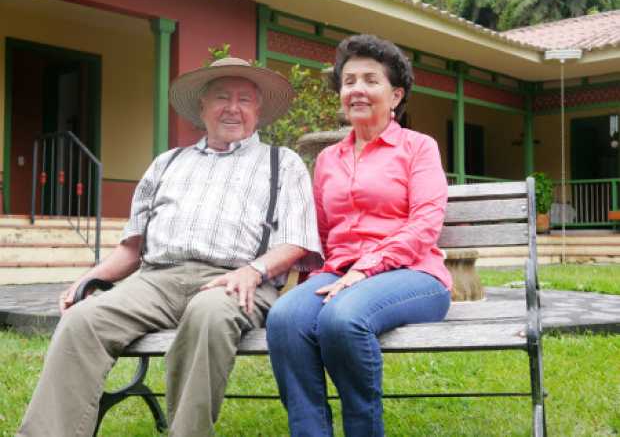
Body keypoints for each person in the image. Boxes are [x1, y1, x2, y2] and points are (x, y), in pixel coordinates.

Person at [18, 57, 322, 437]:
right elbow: (132, 247)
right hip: (156, 280)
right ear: (202, 107)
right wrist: (90, 278)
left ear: (258, 111)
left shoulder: (283, 163)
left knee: (208, 314)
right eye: (221, 97)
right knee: (83, 321)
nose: (233, 107)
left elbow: (296, 240)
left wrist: (252, 270)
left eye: (245, 99)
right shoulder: (167, 163)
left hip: (235, 280)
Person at [266, 34, 453, 437]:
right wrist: (304, 282)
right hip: (339, 273)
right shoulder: (328, 159)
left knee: (342, 319)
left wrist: (366, 270)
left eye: (371, 80)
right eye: (349, 81)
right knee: (284, 318)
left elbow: (424, 223)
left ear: (396, 94)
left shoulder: (419, 148)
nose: (357, 90)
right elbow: (318, 232)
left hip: (413, 273)